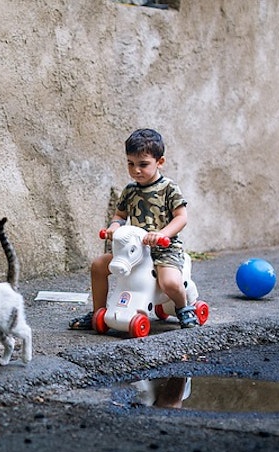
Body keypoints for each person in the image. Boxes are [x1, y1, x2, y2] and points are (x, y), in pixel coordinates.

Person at [69, 128, 200, 330]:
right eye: (130, 164)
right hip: (135, 249)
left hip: (164, 248)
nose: (136, 170)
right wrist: (114, 227)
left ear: (160, 162)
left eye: (143, 164)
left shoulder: (168, 188)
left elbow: (181, 218)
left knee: (170, 282)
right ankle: (97, 312)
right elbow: (120, 215)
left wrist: (162, 234)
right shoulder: (130, 190)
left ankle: (183, 308)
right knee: (98, 266)